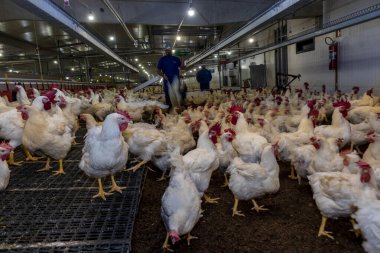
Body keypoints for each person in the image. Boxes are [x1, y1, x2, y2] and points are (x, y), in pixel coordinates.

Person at [157, 43, 182, 109]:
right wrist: (163, 75)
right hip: (167, 79)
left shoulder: (176, 59)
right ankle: (169, 109)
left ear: (171, 50)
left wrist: (182, 59)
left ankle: (178, 108)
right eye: (166, 50)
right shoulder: (162, 59)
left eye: (169, 50)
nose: (168, 51)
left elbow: (183, 67)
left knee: (177, 93)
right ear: (165, 51)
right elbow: (158, 70)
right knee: (168, 95)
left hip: (176, 80)